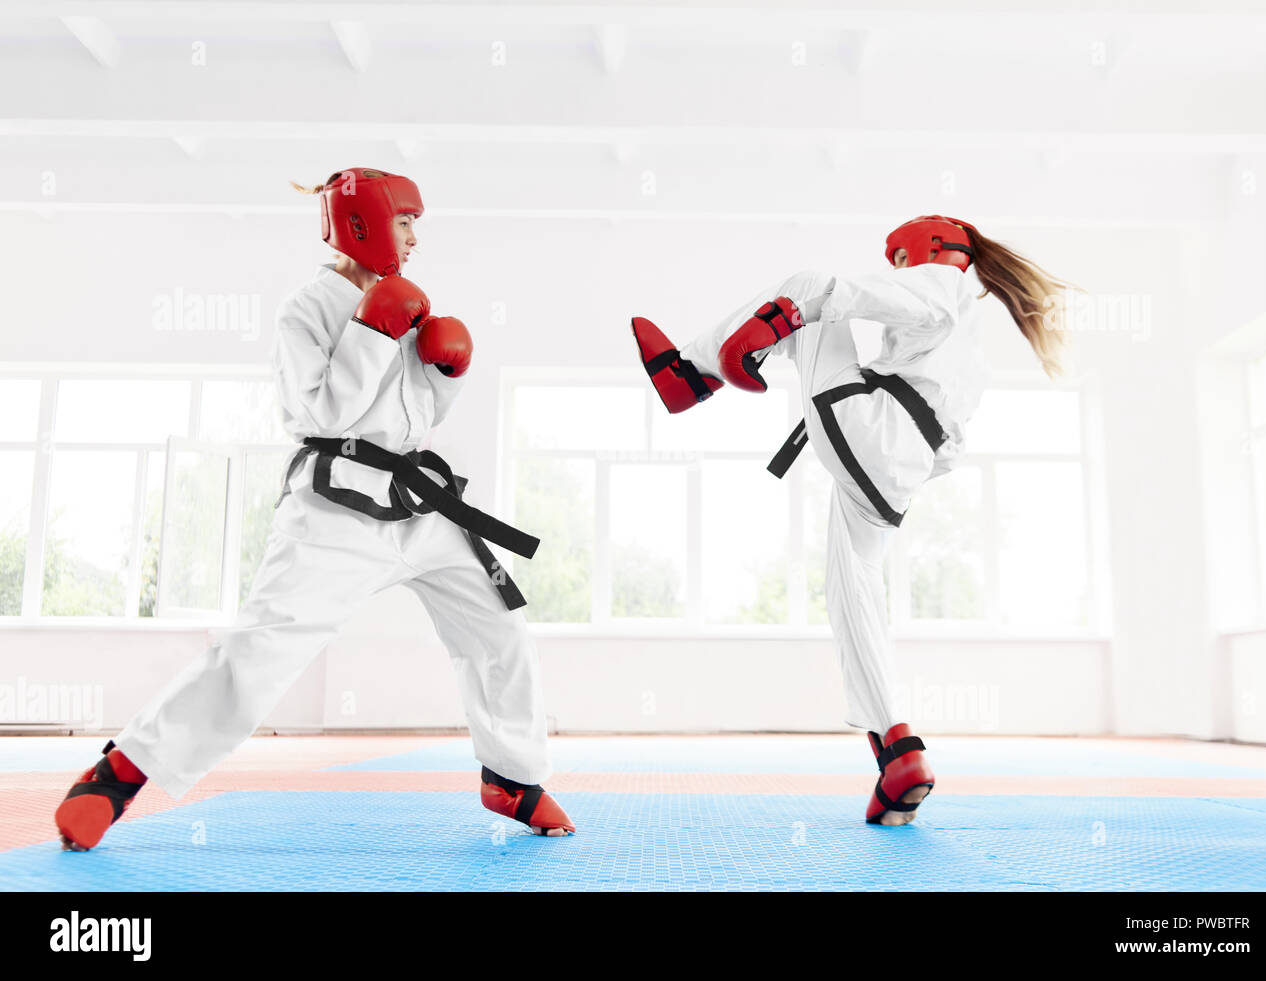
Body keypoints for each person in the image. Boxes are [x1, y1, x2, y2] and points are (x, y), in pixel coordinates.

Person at [55, 167, 575, 850]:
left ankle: (512, 776)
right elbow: (318, 411)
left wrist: (448, 372)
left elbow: (413, 417)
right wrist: (370, 329)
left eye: (417, 223)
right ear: (362, 223)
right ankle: (123, 769)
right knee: (262, 646)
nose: (415, 237)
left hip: (420, 502)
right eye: (405, 221)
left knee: (498, 628)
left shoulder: (411, 302)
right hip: (336, 505)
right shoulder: (306, 307)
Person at [631, 215, 1069, 825]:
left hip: (876, 429)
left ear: (930, 251)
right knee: (853, 592)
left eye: (899, 257)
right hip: (900, 464)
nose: (896, 267)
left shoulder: (942, 287)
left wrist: (796, 312)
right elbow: (951, 448)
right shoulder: (969, 349)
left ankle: (688, 377)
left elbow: (876, 296)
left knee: (809, 289)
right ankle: (896, 752)